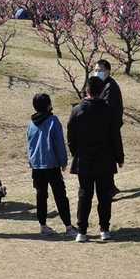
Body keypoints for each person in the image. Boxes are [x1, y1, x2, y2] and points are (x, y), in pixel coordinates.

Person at [67, 76, 125, 242]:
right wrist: (119, 157)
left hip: (83, 158)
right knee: (104, 196)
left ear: (87, 91)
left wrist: (75, 152)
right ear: (103, 91)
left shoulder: (77, 110)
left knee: (84, 195)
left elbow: (71, 136)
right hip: (105, 158)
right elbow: (115, 137)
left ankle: (82, 231)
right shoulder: (109, 112)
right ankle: (104, 229)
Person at [27, 93, 79, 237]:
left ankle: (43, 226)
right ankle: (68, 227)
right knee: (60, 195)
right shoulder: (52, 120)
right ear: (48, 104)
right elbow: (59, 143)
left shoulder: (31, 122)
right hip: (51, 164)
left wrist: (31, 162)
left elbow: (29, 144)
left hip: (36, 165)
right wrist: (63, 161)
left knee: (41, 195)